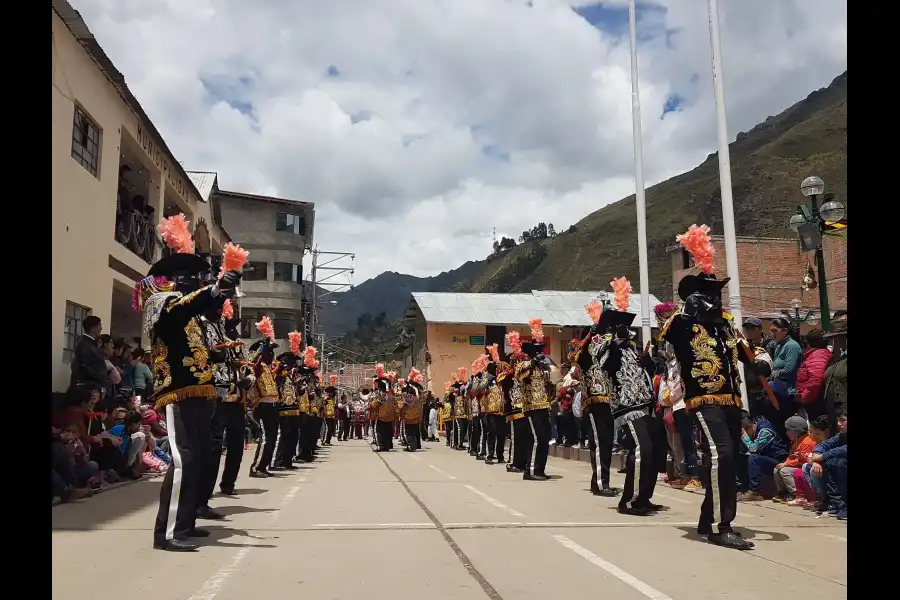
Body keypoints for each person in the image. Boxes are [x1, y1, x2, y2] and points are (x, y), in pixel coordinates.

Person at [134, 224, 241, 552]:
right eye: (193, 278)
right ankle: (165, 534)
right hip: (177, 393)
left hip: (200, 392)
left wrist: (223, 290)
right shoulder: (164, 305)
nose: (198, 281)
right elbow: (186, 307)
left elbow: (203, 319)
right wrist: (214, 289)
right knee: (184, 459)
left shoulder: (191, 314)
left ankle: (185, 524)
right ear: (177, 280)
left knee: (200, 457)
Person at [662, 226, 758, 550]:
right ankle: (721, 525)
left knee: (728, 458)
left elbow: (746, 356)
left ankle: (708, 518)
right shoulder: (683, 322)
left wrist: (755, 355)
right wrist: (691, 310)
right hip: (703, 399)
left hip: (731, 400)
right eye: (712, 293)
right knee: (722, 453)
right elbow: (668, 333)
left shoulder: (725, 323)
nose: (718, 297)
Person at [600, 304, 660, 516]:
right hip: (628, 407)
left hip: (646, 404)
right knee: (643, 450)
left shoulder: (631, 349)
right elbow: (606, 365)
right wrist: (616, 343)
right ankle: (629, 501)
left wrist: (645, 359)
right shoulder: (604, 346)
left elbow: (647, 372)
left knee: (654, 451)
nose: (626, 330)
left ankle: (644, 497)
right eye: (621, 326)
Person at [573, 309, 619, 497]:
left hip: (610, 402)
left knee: (607, 443)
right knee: (600, 443)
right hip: (594, 403)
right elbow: (575, 355)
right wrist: (591, 334)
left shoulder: (604, 352)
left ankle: (602, 481)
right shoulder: (584, 356)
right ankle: (600, 483)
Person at [517, 320, 553, 482]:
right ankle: (529, 470)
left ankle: (539, 469)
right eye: (537, 351)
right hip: (531, 407)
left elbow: (551, 383)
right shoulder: (524, 364)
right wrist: (532, 362)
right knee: (537, 438)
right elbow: (518, 374)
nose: (540, 353)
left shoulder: (543, 366)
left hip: (544, 406)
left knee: (545, 438)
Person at [247, 327, 280, 478]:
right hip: (262, 407)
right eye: (270, 351)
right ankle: (256, 468)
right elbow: (254, 360)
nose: (272, 355)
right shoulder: (257, 366)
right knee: (266, 438)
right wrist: (263, 346)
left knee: (272, 438)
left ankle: (264, 466)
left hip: (272, 406)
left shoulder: (267, 367)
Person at [738, 413, 789, 502]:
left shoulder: (765, 430)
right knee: (741, 457)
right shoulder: (755, 429)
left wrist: (744, 436)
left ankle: (755, 492)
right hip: (766, 458)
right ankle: (743, 488)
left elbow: (753, 449)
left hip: (779, 461)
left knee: (753, 458)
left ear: (749, 427)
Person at [808, 410, 847, 519]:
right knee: (823, 464)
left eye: (843, 420)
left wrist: (822, 456)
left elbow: (844, 449)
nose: (839, 424)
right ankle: (837, 503)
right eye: (838, 420)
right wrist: (816, 458)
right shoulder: (842, 436)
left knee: (840, 463)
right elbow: (824, 445)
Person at [772, 416, 817, 502]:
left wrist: (786, 464)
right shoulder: (795, 441)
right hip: (796, 464)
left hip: (804, 466)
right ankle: (783, 493)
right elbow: (791, 456)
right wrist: (785, 463)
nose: (786, 433)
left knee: (784, 471)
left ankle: (796, 494)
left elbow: (802, 461)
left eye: (788, 430)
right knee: (776, 470)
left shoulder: (807, 442)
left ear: (795, 431)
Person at [70, 315, 109, 395]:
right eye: (99, 325)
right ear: (93, 328)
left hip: (94, 386)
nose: (101, 328)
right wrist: (99, 379)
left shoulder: (91, 343)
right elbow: (86, 366)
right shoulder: (86, 344)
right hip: (89, 388)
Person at [769, 317, 802, 392]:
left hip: (788, 391)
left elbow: (789, 370)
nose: (772, 334)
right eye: (771, 331)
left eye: (775, 331)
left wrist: (773, 375)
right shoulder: (779, 346)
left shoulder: (791, 345)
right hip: (777, 388)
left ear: (785, 331)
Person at [373, 365, 395, 451]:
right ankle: (388, 446)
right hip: (390, 416)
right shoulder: (391, 394)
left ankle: (381, 445)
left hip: (381, 416)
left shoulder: (380, 394)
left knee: (379, 431)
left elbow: (375, 404)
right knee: (388, 432)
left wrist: (371, 404)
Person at [402, 368, 426, 451]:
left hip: (409, 415)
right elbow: (423, 401)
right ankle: (416, 445)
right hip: (417, 414)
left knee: (409, 431)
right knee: (415, 431)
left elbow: (404, 404)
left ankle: (411, 446)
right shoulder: (419, 393)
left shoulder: (409, 395)